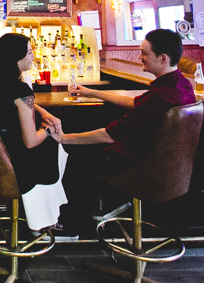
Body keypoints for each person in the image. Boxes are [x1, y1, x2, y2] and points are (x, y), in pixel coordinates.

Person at [56, 28, 196, 222]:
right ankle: (107, 205)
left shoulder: (161, 97)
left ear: (163, 58)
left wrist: (64, 138)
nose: (140, 57)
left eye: (144, 53)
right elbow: (137, 103)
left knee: (73, 156)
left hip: (139, 163)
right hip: (163, 162)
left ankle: (72, 223)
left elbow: (109, 135)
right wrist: (92, 92)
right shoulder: (181, 85)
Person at [0, 33, 69, 235]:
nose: (33, 57)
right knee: (60, 147)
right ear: (16, 57)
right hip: (19, 162)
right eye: (29, 53)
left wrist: (42, 112)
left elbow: (20, 103)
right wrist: (49, 130)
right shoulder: (21, 90)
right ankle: (46, 220)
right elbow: (30, 141)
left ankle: (40, 216)